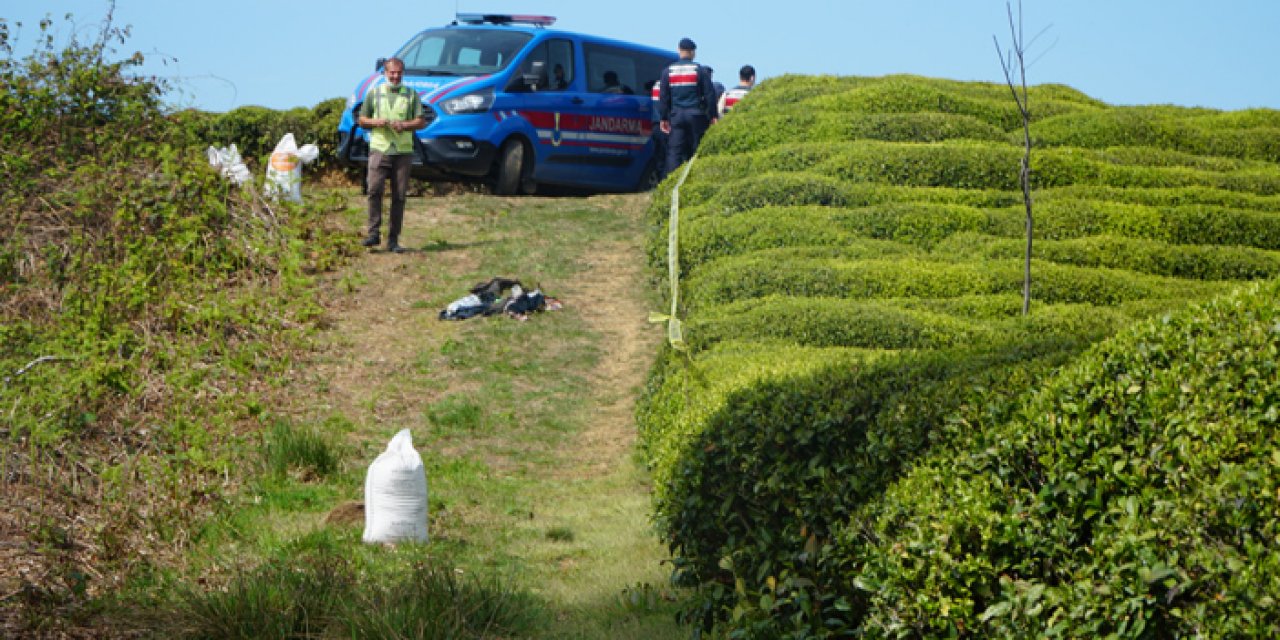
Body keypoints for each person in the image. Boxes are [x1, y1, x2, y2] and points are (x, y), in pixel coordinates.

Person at [357, 57, 426, 253]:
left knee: (399, 196)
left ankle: (393, 240)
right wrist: (375, 122)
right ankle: (373, 234)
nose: (395, 76)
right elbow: (361, 119)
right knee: (374, 190)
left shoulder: (411, 95)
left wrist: (404, 125)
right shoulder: (375, 94)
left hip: (403, 151)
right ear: (385, 73)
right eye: (391, 73)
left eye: (398, 73)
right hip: (379, 148)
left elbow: (421, 122)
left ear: (402, 73)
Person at [658, 37, 718, 176]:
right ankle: (696, 177)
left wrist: (663, 118)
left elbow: (664, 97)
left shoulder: (668, 71)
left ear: (679, 50)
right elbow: (709, 94)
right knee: (697, 148)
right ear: (692, 53)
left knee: (674, 151)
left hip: (676, 116)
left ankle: (671, 180)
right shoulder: (699, 70)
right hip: (696, 115)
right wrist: (713, 115)